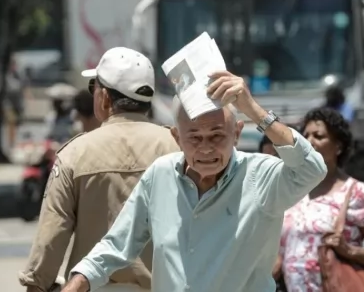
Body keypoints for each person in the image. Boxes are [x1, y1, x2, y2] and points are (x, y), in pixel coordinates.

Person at [60, 70, 328, 292]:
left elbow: (312, 168)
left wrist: (253, 109)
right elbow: (117, 244)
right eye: (195, 138)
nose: (207, 149)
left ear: (236, 133)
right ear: (177, 138)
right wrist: (79, 281)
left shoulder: (262, 176)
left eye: (216, 136)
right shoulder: (160, 175)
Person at [18, 47, 180, 292]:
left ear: (104, 97)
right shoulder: (179, 148)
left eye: (94, 87)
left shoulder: (74, 154)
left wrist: (35, 285)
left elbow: (50, 241)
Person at [273, 107, 364, 291]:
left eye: (319, 136)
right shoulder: (292, 189)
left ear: (338, 147)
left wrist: (350, 251)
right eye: (306, 136)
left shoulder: (357, 194)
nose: (310, 142)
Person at [5, 57, 31, 149]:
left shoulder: (19, 75)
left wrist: (27, 96)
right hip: (8, 103)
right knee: (11, 122)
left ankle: (14, 141)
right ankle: (11, 142)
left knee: (17, 124)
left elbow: (25, 87)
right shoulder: (6, 76)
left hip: (18, 103)